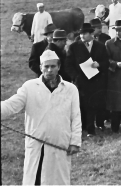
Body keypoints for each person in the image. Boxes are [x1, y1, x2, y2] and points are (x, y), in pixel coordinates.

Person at [1, 49, 81, 185]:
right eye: (46, 66)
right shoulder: (29, 87)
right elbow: (11, 105)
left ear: (59, 67)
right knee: (35, 180)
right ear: (40, 67)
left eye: (53, 66)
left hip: (59, 144)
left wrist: (75, 142)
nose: (49, 70)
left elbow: (76, 117)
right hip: (36, 145)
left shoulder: (70, 89)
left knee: (58, 181)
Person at [65, 23, 109, 136]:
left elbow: (106, 62)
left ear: (91, 34)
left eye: (84, 33)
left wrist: (99, 64)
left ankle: (99, 124)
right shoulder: (74, 47)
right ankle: (88, 128)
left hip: (97, 81)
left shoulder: (100, 46)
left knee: (98, 104)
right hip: (82, 82)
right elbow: (68, 65)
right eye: (80, 34)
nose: (82, 36)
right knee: (84, 105)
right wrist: (76, 77)